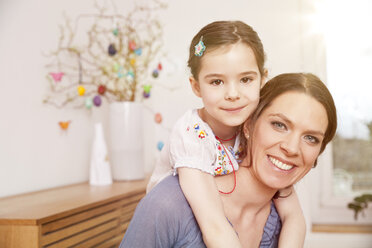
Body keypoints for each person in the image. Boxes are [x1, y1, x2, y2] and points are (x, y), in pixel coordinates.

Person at [119, 72, 337, 247]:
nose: (291, 148)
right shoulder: (168, 205)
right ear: (249, 125)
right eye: (279, 125)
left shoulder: (283, 221)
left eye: (310, 138)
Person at [146, 21, 306, 247]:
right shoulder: (190, 135)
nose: (233, 94)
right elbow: (214, 226)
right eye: (217, 81)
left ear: (263, 78)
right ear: (196, 86)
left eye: (246, 79)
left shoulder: (257, 126)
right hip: (183, 226)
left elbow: (293, 216)